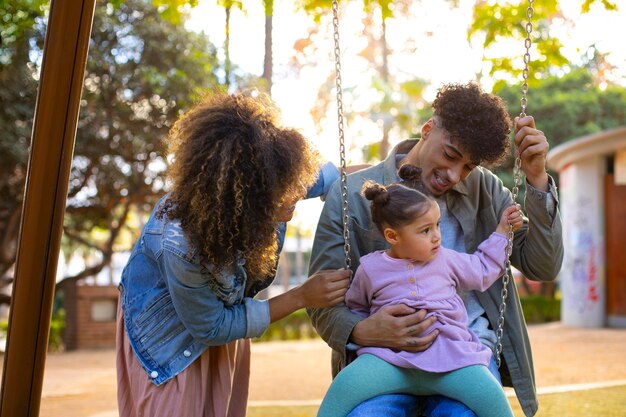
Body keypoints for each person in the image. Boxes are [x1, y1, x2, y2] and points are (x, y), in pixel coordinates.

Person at [308, 82, 563, 417]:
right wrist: (360, 329)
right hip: (386, 356)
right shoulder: (352, 196)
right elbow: (322, 300)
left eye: (469, 167)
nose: (455, 175)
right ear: (427, 130)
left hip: (463, 354)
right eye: (450, 155)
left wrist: (537, 177)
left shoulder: (486, 189)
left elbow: (542, 266)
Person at [116, 92, 351, 417]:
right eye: (283, 196)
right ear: (249, 197)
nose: (294, 199)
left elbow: (335, 176)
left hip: (219, 323)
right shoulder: (181, 244)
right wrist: (301, 296)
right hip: (168, 336)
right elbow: (210, 327)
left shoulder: (276, 174)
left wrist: (399, 168)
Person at [317, 164, 522, 417]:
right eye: (426, 230)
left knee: (493, 399)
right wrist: (367, 329)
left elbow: (482, 269)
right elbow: (357, 307)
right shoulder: (371, 268)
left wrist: (503, 232)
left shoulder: (445, 259)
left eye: (437, 225)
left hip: (450, 357)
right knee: (341, 390)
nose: (437, 236)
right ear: (393, 236)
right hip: (389, 360)